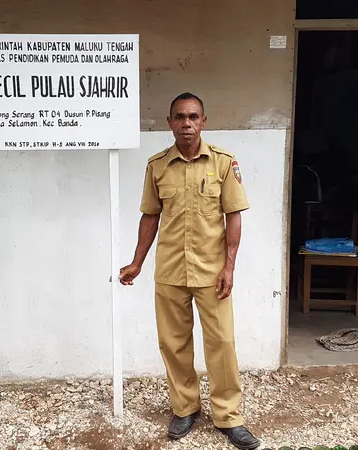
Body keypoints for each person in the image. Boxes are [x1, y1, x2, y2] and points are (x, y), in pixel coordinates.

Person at [119, 92, 260, 450]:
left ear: (204, 121)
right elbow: (150, 216)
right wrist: (137, 261)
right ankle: (185, 407)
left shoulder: (224, 163)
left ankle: (229, 416)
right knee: (173, 343)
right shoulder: (157, 166)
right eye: (180, 117)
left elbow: (234, 216)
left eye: (193, 117)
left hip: (212, 272)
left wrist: (229, 267)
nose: (187, 123)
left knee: (222, 343)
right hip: (170, 270)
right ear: (170, 123)